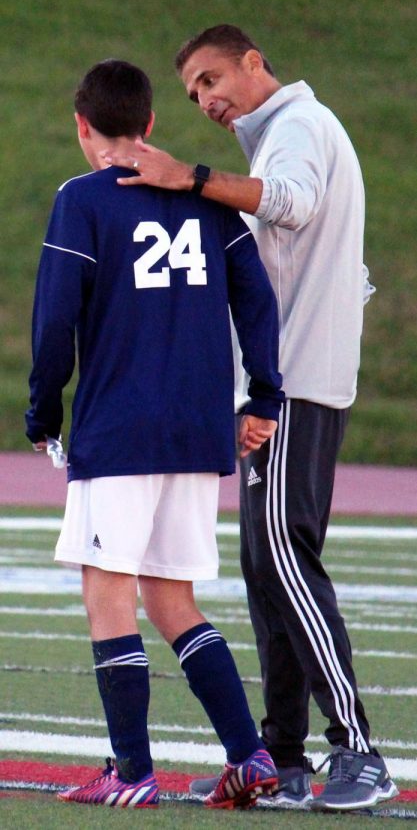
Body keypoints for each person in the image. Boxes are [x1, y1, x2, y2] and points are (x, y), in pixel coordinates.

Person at [102, 26, 398, 812]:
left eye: (211, 79)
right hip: (293, 382)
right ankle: (286, 757)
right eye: (193, 91)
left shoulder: (295, 128)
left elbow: (292, 207)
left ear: (255, 62)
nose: (204, 99)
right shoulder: (289, 135)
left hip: (294, 387)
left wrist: (187, 178)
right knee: (269, 574)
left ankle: (359, 752)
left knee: (286, 565)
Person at [25, 57, 285, 810]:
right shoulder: (202, 198)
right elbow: (256, 305)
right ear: (149, 125)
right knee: (173, 599)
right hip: (197, 432)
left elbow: (54, 323)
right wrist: (260, 395)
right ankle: (249, 753)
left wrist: (43, 412)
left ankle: (131, 768)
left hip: (120, 428)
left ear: (82, 126)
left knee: (107, 594)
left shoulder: (82, 200)